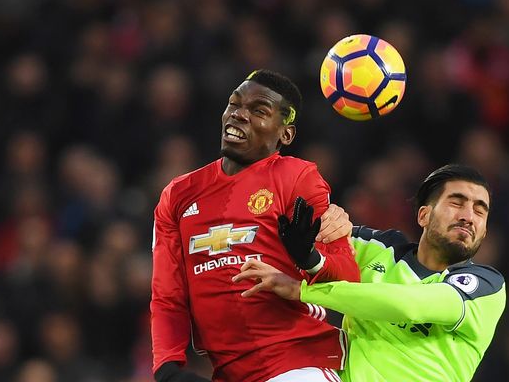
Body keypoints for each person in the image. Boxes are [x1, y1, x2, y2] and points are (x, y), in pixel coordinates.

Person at [151, 69, 360, 382]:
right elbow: (167, 294)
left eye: (258, 110)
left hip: (299, 362)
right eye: (234, 105)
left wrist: (310, 260)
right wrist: (167, 369)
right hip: (228, 372)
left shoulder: (297, 178)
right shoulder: (178, 195)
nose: (238, 115)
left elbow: (348, 275)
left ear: (285, 134)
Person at [234, 164, 507, 382]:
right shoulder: (378, 248)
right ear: (424, 215)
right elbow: (310, 236)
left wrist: (303, 291)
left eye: (479, 210)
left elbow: (408, 305)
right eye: (457, 203)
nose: (469, 216)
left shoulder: (485, 287)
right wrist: (328, 224)